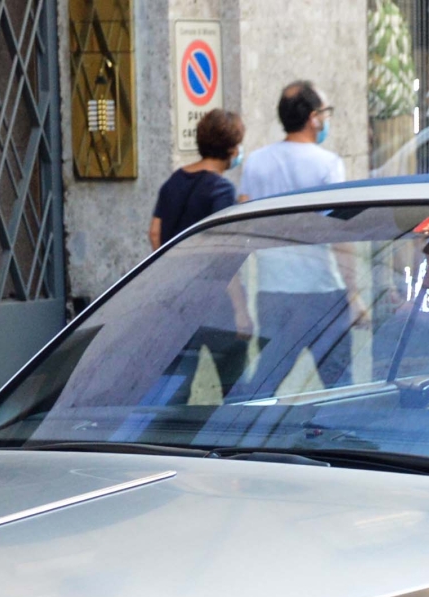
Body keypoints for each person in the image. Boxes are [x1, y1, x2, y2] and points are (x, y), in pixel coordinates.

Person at [228, 81, 352, 394]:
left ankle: (243, 429)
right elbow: (339, 233)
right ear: (313, 117)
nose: (325, 120)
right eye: (324, 113)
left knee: (267, 378)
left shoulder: (256, 161)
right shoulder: (329, 164)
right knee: (339, 384)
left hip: (272, 289)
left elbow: (244, 226)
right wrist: (357, 294)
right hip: (321, 289)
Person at [150, 108, 243, 248]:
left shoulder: (174, 180)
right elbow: (224, 241)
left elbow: (154, 232)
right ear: (232, 150)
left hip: (170, 266)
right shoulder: (222, 189)